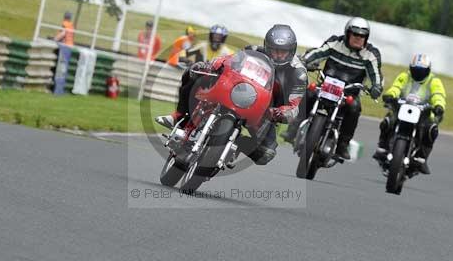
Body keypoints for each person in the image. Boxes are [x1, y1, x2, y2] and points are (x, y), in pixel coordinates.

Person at [155, 24, 306, 165]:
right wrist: (211, 65)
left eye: (283, 52)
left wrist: (279, 113)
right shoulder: (254, 51)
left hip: (265, 111)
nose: (278, 55)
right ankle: (179, 115)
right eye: (274, 50)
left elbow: (294, 106)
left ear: (291, 51)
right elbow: (229, 60)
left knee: (266, 154)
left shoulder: (298, 73)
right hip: (238, 92)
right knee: (193, 73)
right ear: (267, 46)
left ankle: (236, 142)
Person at [284, 16, 383, 161]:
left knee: (354, 108)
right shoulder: (335, 42)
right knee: (310, 92)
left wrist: (376, 87)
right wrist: (304, 61)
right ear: (347, 33)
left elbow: (376, 75)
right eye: (355, 34)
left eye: (362, 36)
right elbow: (318, 53)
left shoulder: (371, 54)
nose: (358, 38)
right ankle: (293, 129)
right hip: (326, 85)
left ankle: (343, 144)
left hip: (349, 92)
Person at [373, 53, 446, 175]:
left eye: (421, 71)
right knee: (388, 121)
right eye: (415, 70)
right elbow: (396, 87)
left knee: (432, 129)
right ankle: (383, 147)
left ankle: (422, 158)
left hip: (424, 113)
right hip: (402, 108)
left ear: (428, 70)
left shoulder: (434, 81)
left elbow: (438, 94)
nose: (418, 73)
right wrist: (390, 95)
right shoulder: (405, 76)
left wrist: (439, 106)